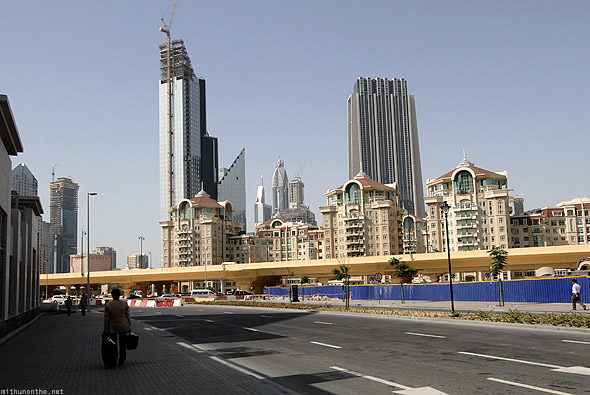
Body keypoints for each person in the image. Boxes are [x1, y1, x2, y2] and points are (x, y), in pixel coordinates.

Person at [103, 288, 131, 366]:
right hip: (124, 326)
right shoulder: (124, 304)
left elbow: (106, 319)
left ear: (112, 295)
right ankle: (121, 360)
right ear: (119, 295)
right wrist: (129, 326)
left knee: (113, 344)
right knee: (123, 345)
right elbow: (128, 316)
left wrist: (105, 329)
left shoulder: (108, 305)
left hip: (113, 327)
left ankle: (113, 359)